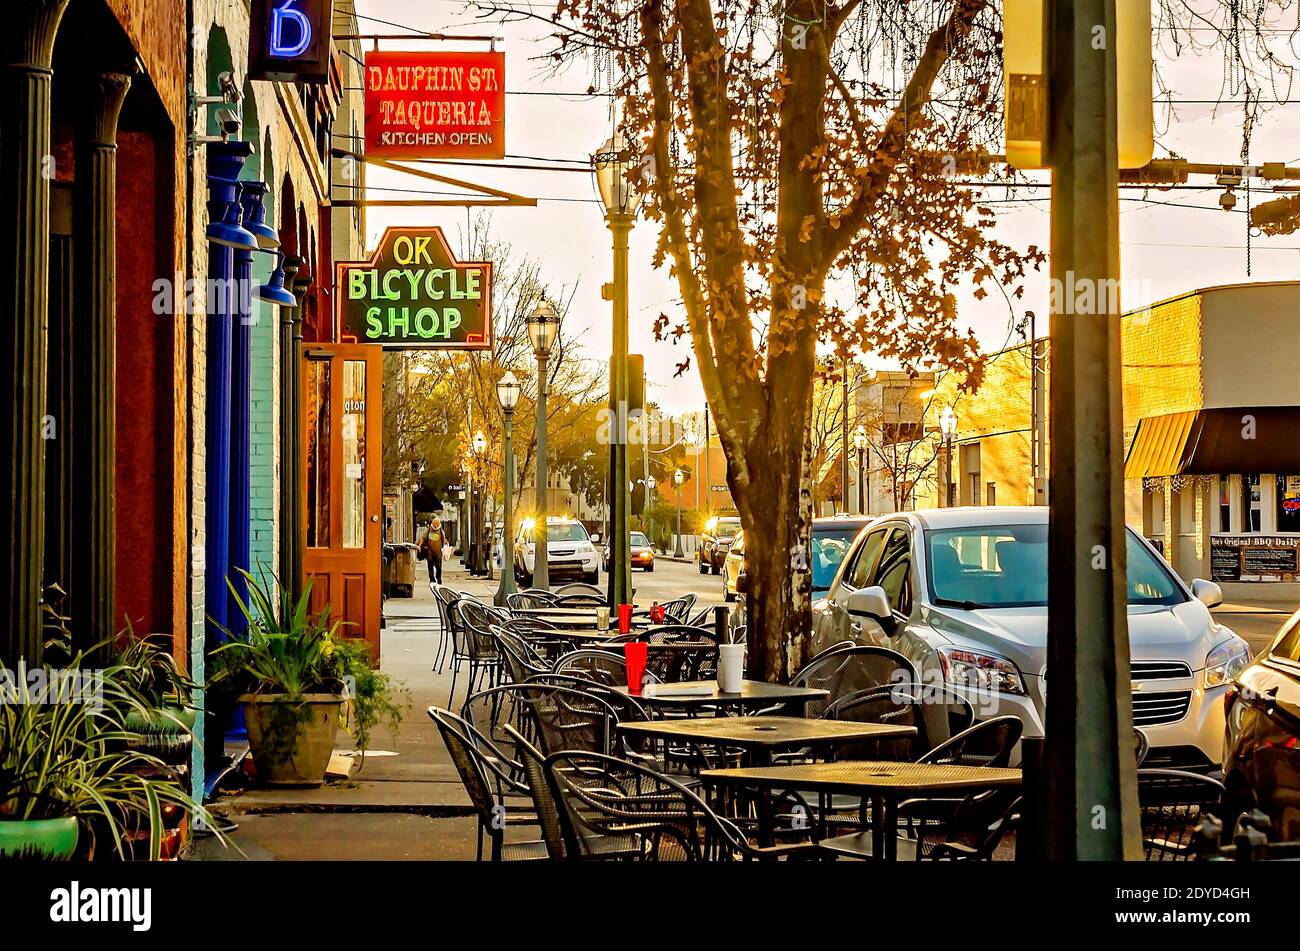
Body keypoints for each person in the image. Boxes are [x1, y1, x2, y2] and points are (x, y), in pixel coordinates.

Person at [420, 517, 448, 585]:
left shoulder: (441, 532)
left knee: (438, 566)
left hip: (438, 552)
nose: (435, 526)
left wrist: (446, 545)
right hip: (430, 552)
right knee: (430, 566)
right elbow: (423, 538)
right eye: (434, 524)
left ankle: (438, 577)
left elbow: (443, 540)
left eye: (437, 524)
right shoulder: (429, 530)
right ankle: (432, 579)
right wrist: (420, 546)